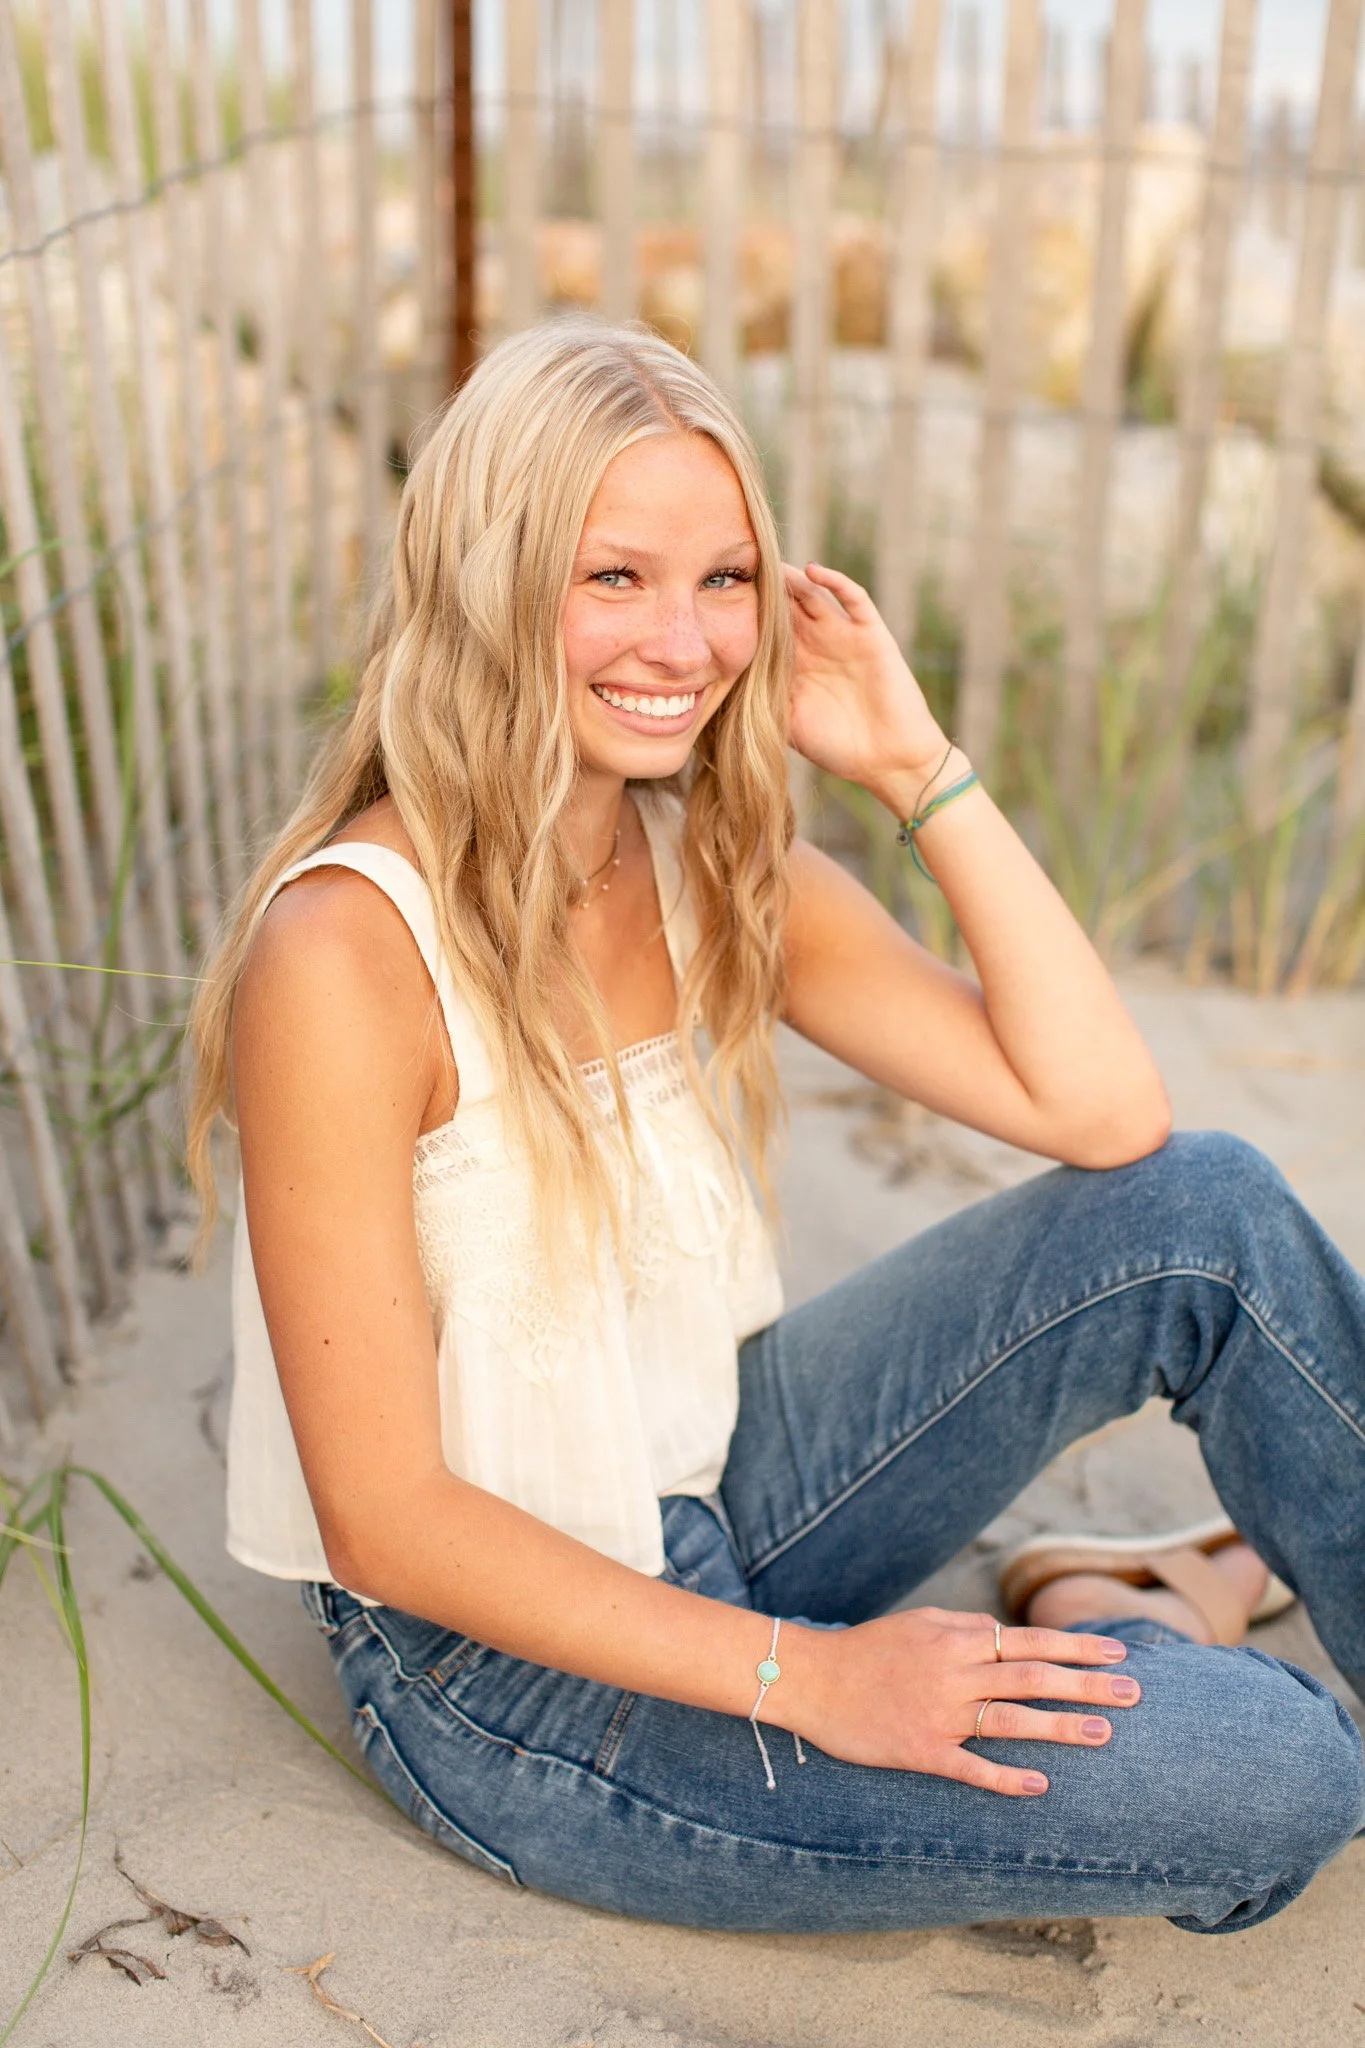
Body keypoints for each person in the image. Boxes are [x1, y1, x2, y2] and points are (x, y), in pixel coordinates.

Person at [189, 318, 1364, 1935]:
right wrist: (809, 1681)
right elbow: (387, 1523)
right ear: (484, 579)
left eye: (725, 580)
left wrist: (916, 764)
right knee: (1284, 1775)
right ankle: (1129, 1601)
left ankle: (1126, 1598)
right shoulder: (343, 954)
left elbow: (1104, 1114)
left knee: (1208, 1208)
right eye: (613, 578)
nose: (683, 640)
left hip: (728, 1483)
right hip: (502, 1677)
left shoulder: (711, 868)